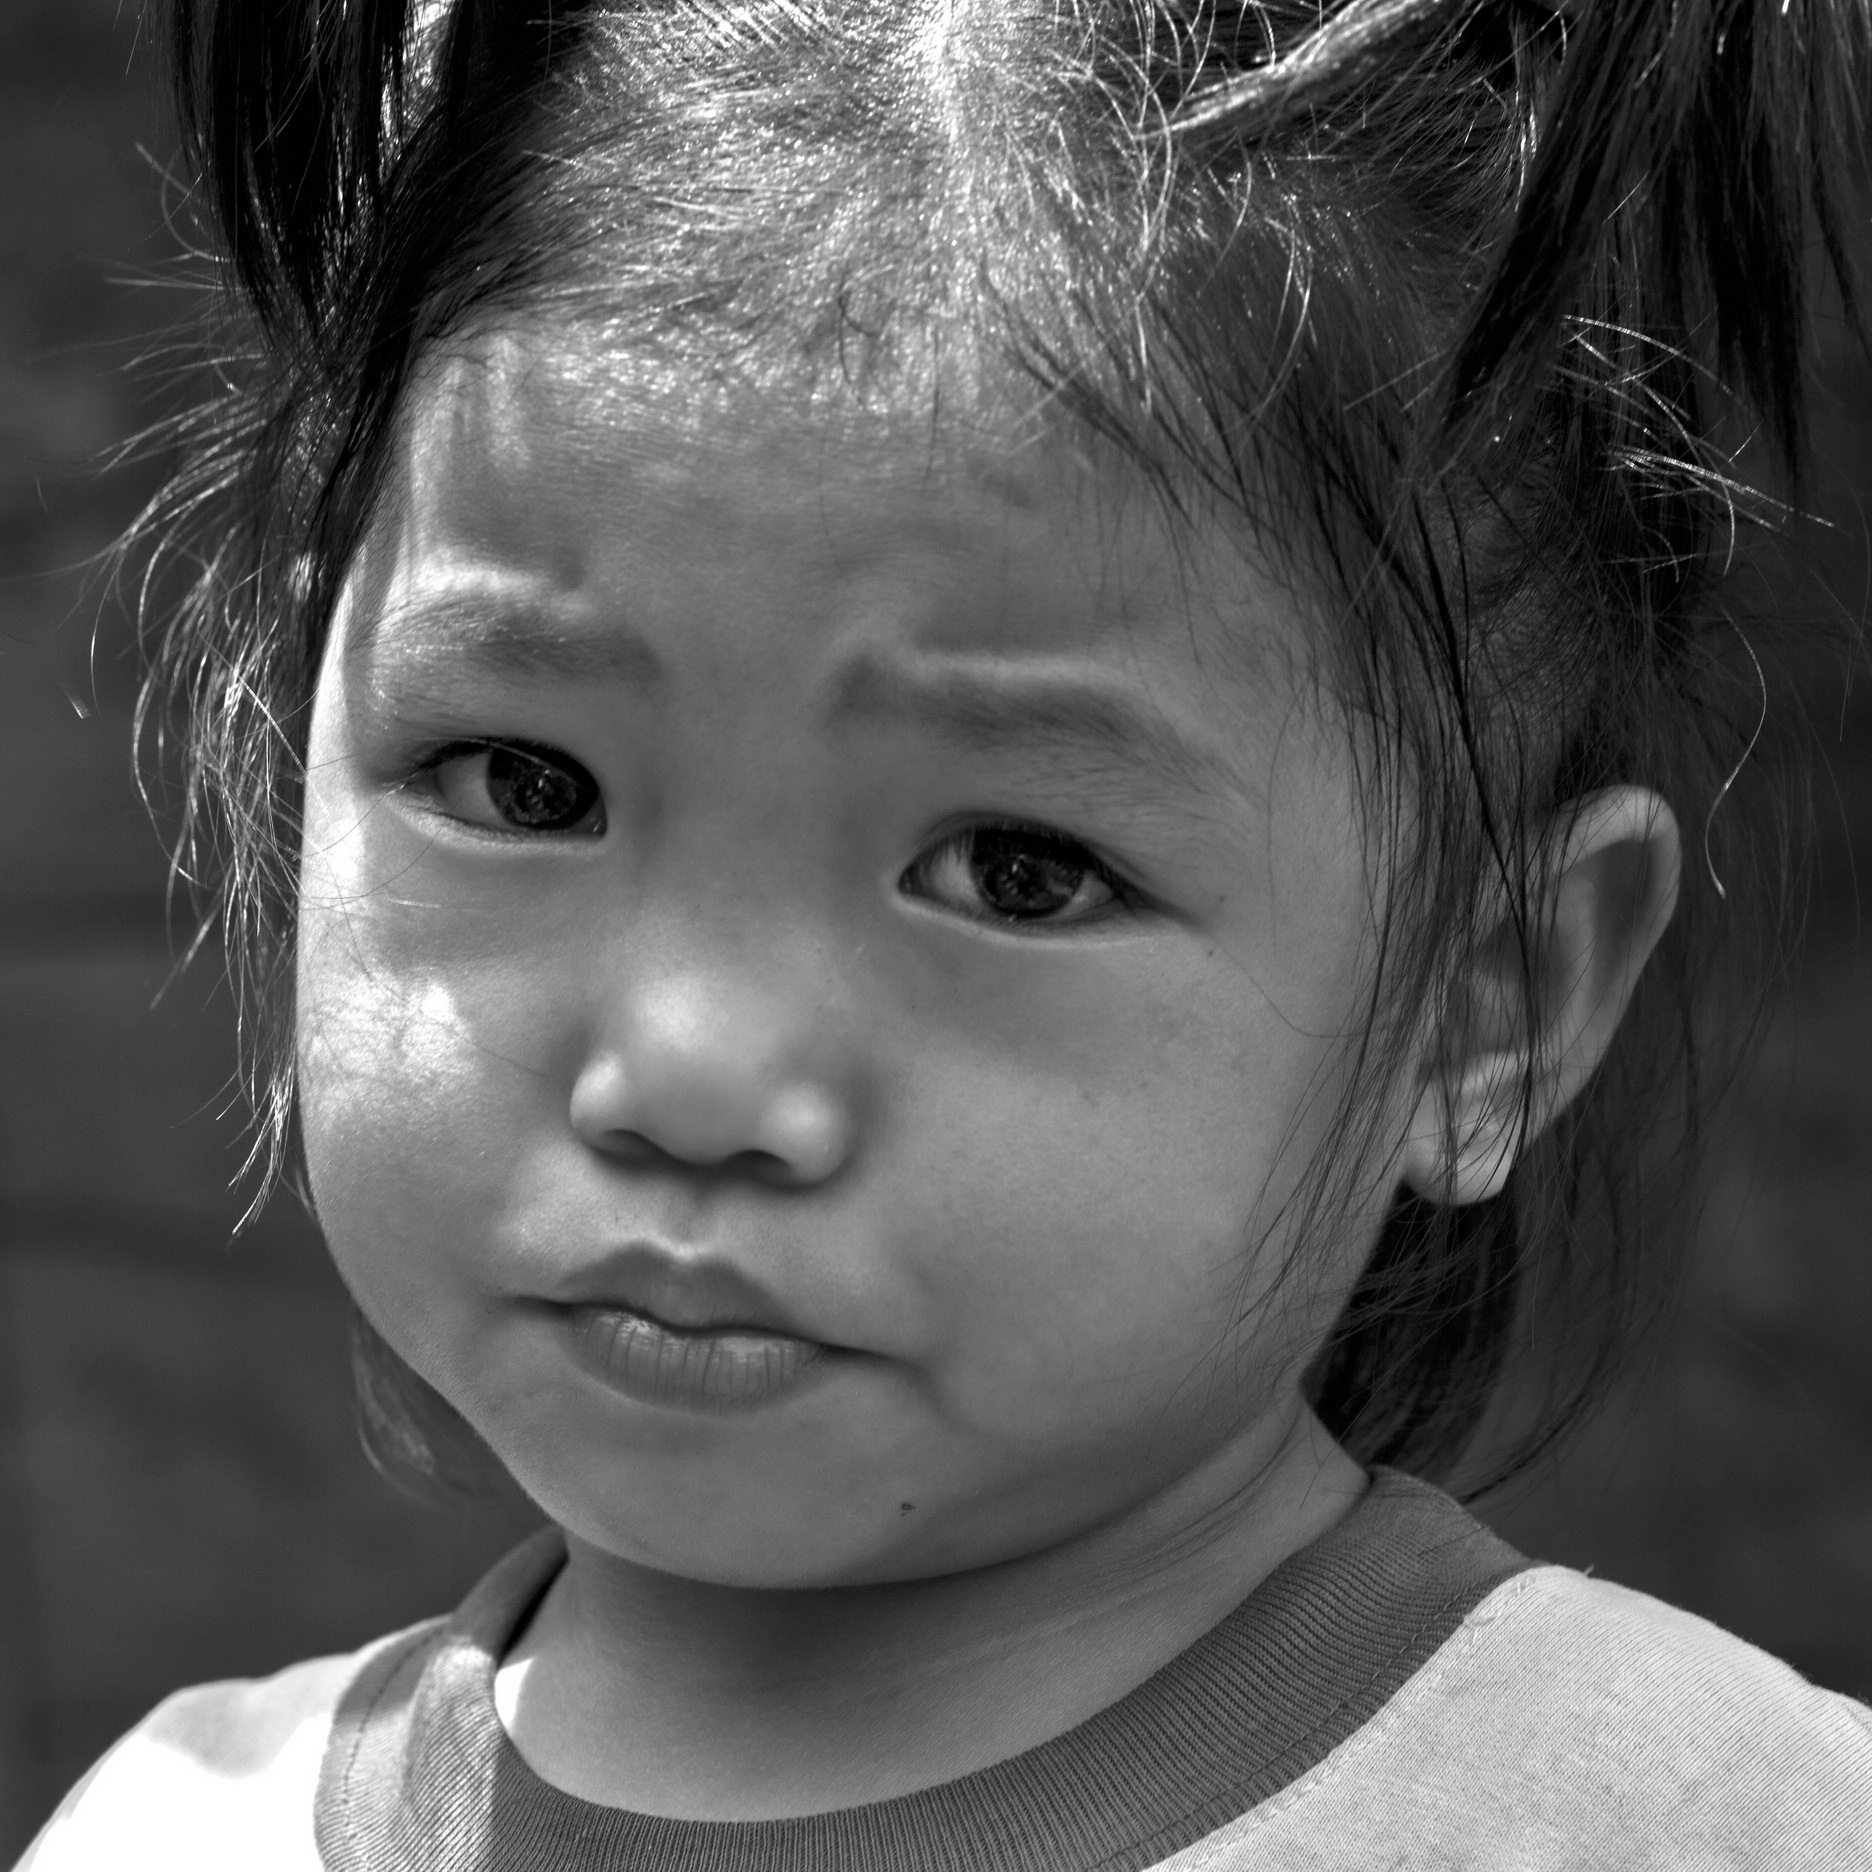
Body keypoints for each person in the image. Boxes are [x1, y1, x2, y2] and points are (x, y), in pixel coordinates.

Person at [21, 0, 1872, 1865]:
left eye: (1018, 870)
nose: (690, 1070)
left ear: (1491, 1004)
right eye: (520, 782)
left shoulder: (1701, 1827)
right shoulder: (173, 1836)